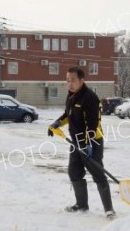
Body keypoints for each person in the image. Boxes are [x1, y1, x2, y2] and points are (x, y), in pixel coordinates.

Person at [48, 66, 115, 220]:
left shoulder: (90, 98)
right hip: (76, 142)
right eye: (67, 80)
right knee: (74, 172)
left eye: (73, 80)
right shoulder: (71, 96)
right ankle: (82, 204)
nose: (69, 84)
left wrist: (89, 144)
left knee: (98, 174)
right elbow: (68, 114)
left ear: (81, 80)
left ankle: (109, 209)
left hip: (92, 142)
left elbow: (94, 124)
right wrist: (57, 124)